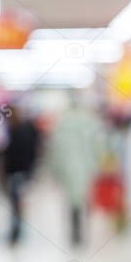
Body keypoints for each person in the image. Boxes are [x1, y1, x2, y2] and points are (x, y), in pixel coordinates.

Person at [49, 91, 105, 248]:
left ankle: (75, 233)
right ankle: (81, 232)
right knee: (84, 199)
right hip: (86, 167)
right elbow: (98, 146)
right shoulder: (91, 121)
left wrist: (56, 170)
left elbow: (55, 149)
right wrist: (97, 164)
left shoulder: (62, 122)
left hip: (69, 167)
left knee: (72, 201)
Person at [1, 107, 41, 244]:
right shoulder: (22, 130)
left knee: (15, 203)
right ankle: (16, 230)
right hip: (20, 172)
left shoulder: (14, 132)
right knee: (17, 202)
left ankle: (16, 231)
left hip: (15, 172)